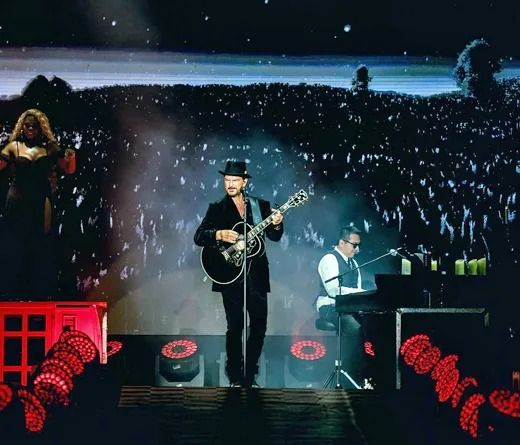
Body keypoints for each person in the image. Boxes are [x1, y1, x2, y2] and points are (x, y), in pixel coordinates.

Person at [194, 161, 283, 387]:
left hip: (256, 276)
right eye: (226, 180)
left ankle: (249, 375)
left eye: (234, 180)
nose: (230, 184)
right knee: (235, 326)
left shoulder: (260, 205)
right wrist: (219, 234)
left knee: (259, 325)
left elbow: (274, 237)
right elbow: (199, 236)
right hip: (230, 275)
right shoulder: (217, 207)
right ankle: (234, 375)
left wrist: (277, 224)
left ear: (244, 182)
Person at [0, 109, 76, 299]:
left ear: (40, 127)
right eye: (27, 125)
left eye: (34, 126)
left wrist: (71, 158)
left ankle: (39, 292)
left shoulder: (49, 148)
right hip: (17, 199)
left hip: (41, 199)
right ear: (22, 127)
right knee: (16, 243)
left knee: (41, 243)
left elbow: (68, 170)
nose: (31, 129)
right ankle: (14, 292)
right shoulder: (13, 147)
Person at [316, 226, 369, 387]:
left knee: (372, 325)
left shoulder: (354, 263)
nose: (357, 249)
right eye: (355, 245)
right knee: (353, 327)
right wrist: (361, 292)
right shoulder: (329, 259)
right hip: (330, 306)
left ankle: (368, 374)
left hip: (349, 307)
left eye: (359, 245)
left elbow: (356, 293)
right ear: (342, 242)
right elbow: (333, 290)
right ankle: (351, 374)